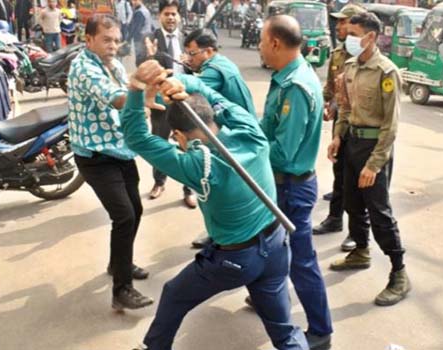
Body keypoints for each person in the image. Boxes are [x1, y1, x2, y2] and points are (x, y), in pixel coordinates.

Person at [122, 59, 309, 350]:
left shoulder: (199, 165)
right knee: (284, 333)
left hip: (235, 260)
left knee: (174, 293)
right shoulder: (250, 131)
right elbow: (219, 99)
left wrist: (135, 89)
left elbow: (136, 137)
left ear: (179, 136)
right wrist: (188, 84)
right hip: (275, 245)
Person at [67, 14, 153, 311]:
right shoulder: (83, 68)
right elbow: (116, 98)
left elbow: (127, 95)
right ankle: (122, 290)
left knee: (135, 209)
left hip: (119, 149)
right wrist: (145, 91)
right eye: (106, 40)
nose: (113, 46)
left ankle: (119, 264)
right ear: (88, 39)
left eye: (117, 40)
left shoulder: (115, 65)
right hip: (95, 156)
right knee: (125, 215)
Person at [258, 15, 333, 350]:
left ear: (275, 42)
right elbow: (268, 127)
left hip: (292, 185)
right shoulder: (286, 77)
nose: (259, 47)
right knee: (270, 248)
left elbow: (284, 152)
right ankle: (266, 295)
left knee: (301, 261)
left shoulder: (297, 88)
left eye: (261, 41)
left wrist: (251, 152)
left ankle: (321, 330)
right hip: (283, 183)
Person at [327, 12, 411, 307]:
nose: (346, 38)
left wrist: (374, 164)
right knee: (351, 202)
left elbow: (391, 126)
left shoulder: (387, 72)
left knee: (379, 211)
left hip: (374, 147)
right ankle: (360, 250)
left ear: (370, 37)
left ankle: (399, 272)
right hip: (351, 143)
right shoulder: (350, 66)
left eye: (353, 33)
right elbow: (346, 109)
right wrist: (338, 135)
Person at [182, 28, 257, 249]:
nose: (188, 58)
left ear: (209, 51)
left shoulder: (213, 71)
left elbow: (191, 97)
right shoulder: (222, 62)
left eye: (192, 53)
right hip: (240, 130)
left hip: (232, 137)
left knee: (217, 188)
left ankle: (220, 234)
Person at [312, 4, 365, 253]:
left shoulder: (366, 56)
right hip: (341, 121)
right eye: (339, 22)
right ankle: (335, 218)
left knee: (356, 180)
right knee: (339, 172)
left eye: (344, 22)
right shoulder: (337, 54)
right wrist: (325, 101)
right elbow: (332, 86)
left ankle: (357, 233)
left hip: (362, 126)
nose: (340, 26)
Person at [137, 0, 197, 208]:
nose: (171, 18)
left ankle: (189, 189)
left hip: (184, 100)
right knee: (160, 143)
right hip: (162, 101)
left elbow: (199, 67)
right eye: (166, 14)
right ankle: (159, 182)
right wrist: (151, 56)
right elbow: (140, 63)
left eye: (174, 14)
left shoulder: (188, 39)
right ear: (159, 16)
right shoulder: (150, 38)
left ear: (179, 17)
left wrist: (189, 62)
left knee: (189, 145)